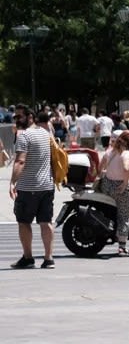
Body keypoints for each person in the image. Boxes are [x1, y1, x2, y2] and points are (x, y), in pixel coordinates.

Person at [9, 110, 56, 269]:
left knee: (23, 222)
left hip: (28, 187)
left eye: (19, 117)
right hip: (47, 185)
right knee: (46, 221)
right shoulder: (45, 133)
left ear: (29, 118)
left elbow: (20, 161)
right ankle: (49, 258)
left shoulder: (24, 136)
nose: (16, 120)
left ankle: (28, 257)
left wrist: (12, 182)